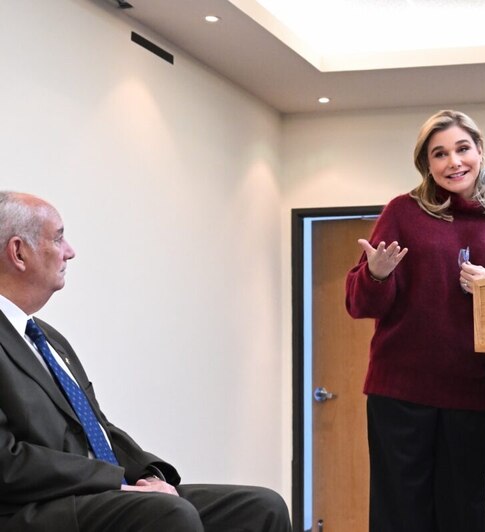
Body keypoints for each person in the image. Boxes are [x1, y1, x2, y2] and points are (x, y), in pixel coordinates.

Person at [0, 191, 292, 532]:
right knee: (169, 514)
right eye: (59, 237)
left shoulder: (47, 338)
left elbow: (98, 429)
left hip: (102, 493)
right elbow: (7, 461)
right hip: (36, 507)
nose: (70, 251)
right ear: (18, 252)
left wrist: (150, 476)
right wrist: (112, 482)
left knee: (261, 507)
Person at [345, 110, 485, 532]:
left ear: (480, 152)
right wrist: (375, 274)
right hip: (400, 393)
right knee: (400, 517)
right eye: (440, 154)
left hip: (469, 393)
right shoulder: (403, 212)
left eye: (462, 149)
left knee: (462, 515)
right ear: (426, 165)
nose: (454, 162)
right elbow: (357, 303)